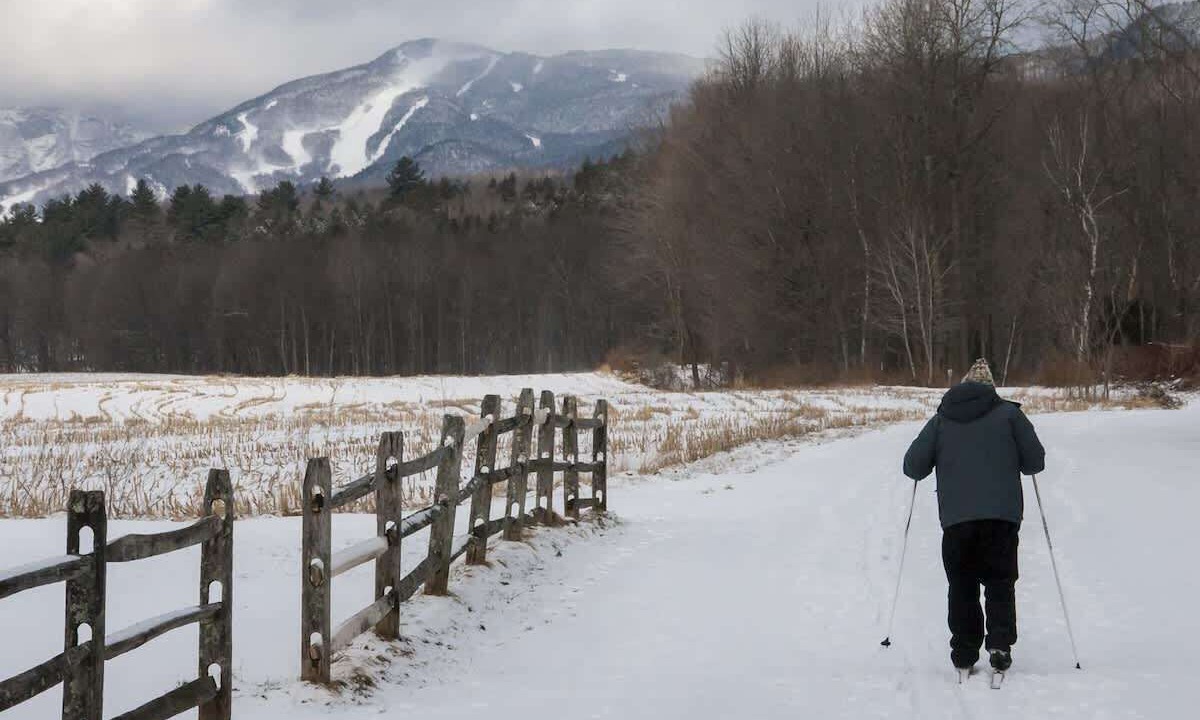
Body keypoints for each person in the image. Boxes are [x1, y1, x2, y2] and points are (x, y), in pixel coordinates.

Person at [902, 358, 1046, 674]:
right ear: (992, 389)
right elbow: (1035, 462)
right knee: (1000, 581)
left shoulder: (940, 421)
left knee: (962, 584)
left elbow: (913, 466)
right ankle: (999, 644)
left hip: (957, 521)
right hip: (1002, 517)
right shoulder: (1010, 415)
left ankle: (965, 653)